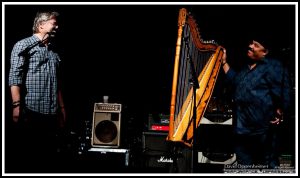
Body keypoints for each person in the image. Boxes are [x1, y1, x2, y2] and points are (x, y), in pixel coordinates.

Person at [221, 34, 291, 170]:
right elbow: (235, 81)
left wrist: (281, 110)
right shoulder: (246, 67)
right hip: (242, 130)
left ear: (265, 52)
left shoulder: (273, 66)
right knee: (244, 167)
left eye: (256, 45)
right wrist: (224, 62)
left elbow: (285, 90)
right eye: (251, 43)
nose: (251, 46)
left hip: (262, 131)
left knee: (268, 167)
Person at [8, 11, 66, 173]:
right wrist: (16, 106)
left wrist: (62, 109)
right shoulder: (23, 45)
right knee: (31, 157)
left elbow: (58, 82)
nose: (57, 26)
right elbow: (14, 76)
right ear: (41, 25)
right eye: (53, 23)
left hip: (52, 112)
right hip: (32, 110)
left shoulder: (54, 50)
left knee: (49, 157)